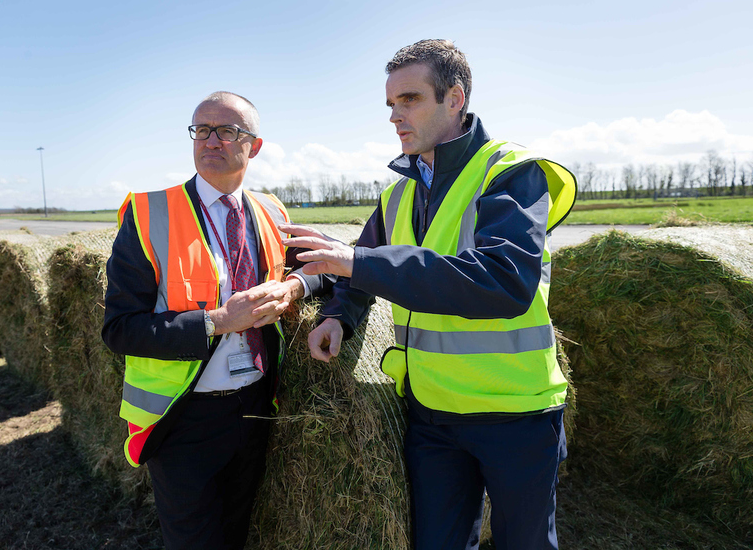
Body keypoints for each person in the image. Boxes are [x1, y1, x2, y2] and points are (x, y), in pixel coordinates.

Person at [280, 40, 577, 550]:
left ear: (455, 97)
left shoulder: (509, 172)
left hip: (516, 414)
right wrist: (339, 316)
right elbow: (363, 266)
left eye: (410, 99)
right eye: (391, 104)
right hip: (433, 417)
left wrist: (356, 263)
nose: (396, 116)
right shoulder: (398, 193)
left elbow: (504, 281)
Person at [102, 91, 333, 550]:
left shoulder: (272, 212)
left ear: (254, 145)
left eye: (226, 131)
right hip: (184, 416)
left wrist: (294, 288)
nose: (211, 140)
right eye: (201, 130)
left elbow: (328, 266)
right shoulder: (148, 214)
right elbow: (119, 329)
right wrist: (216, 321)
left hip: (254, 409)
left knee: (236, 532)